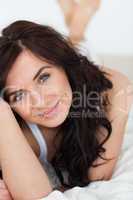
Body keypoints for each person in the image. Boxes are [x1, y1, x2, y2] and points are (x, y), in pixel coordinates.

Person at [0, 20, 132, 199]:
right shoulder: (21, 129)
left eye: (43, 78)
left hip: (84, 78)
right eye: (19, 95)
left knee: (85, 51)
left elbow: (98, 174)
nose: (40, 101)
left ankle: (79, 17)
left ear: (63, 65)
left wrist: (119, 97)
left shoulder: (114, 87)